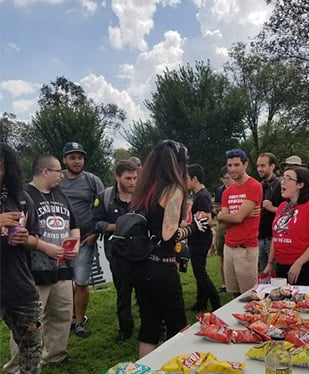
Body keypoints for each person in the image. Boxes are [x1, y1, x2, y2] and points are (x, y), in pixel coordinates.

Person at [2, 155, 80, 374]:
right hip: (31, 270)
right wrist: (48, 249)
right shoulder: (24, 195)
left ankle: (55, 355)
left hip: (61, 267)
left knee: (62, 313)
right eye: (58, 171)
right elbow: (31, 234)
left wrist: (73, 244)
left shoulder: (61, 195)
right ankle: (15, 369)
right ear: (45, 171)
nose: (62, 175)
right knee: (27, 323)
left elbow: (74, 225)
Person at [129, 140, 208, 358]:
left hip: (142, 264)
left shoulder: (145, 188)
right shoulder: (173, 189)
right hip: (162, 268)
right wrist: (192, 228)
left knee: (149, 326)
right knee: (177, 325)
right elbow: (168, 235)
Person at [60, 142, 104, 338]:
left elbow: (102, 209)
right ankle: (67, 318)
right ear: (64, 160)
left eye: (80, 157)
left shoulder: (92, 181)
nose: (77, 161)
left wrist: (95, 234)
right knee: (61, 282)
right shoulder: (57, 179)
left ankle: (79, 322)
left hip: (85, 239)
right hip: (59, 239)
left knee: (81, 281)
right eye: (72, 157)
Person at [93, 160, 138, 343]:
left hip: (141, 251)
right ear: (117, 176)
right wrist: (117, 226)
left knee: (146, 291)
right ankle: (125, 329)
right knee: (123, 292)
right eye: (128, 178)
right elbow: (96, 222)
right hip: (117, 252)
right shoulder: (105, 197)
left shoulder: (142, 195)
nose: (133, 182)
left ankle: (155, 326)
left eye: (135, 178)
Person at [263, 166, 309, 285]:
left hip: (304, 265)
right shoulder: (283, 207)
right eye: (283, 178)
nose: (282, 182)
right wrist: (269, 263)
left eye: (288, 179)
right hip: (281, 264)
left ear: (300, 184)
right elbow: (277, 235)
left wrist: (298, 264)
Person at [217, 149, 262, 294]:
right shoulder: (227, 192)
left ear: (245, 165)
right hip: (229, 246)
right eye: (229, 165)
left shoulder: (254, 186)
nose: (232, 169)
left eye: (236, 165)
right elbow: (223, 224)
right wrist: (242, 216)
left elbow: (235, 218)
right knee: (233, 292)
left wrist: (225, 216)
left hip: (245, 248)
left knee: (249, 295)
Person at [186, 164, 220, 311]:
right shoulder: (199, 195)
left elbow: (206, 219)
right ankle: (201, 301)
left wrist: (188, 226)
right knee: (199, 271)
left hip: (200, 239)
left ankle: (215, 301)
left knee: (200, 272)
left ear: (194, 178)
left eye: (186, 178)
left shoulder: (202, 196)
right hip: (197, 238)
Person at [256, 152, 284, 270]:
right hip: (259, 236)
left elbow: (291, 212)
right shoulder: (259, 186)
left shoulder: (280, 185)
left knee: (276, 274)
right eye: (258, 166)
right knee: (264, 274)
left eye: (263, 166)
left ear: (272, 166)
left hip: (274, 237)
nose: (259, 169)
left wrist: (272, 208)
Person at [213, 166, 233, 292]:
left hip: (232, 224)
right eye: (224, 178)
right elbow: (216, 207)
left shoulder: (237, 190)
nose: (226, 181)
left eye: (228, 178)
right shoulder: (220, 191)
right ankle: (225, 283)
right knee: (222, 255)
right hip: (221, 224)